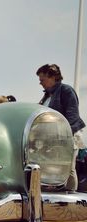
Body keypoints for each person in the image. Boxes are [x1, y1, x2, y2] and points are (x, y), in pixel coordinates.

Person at [36, 63, 86, 191]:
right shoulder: (47, 96)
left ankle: (71, 198)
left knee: (68, 169)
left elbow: (72, 116)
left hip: (65, 138)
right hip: (51, 140)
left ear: (52, 77)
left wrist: (65, 138)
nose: (40, 83)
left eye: (42, 79)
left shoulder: (66, 91)